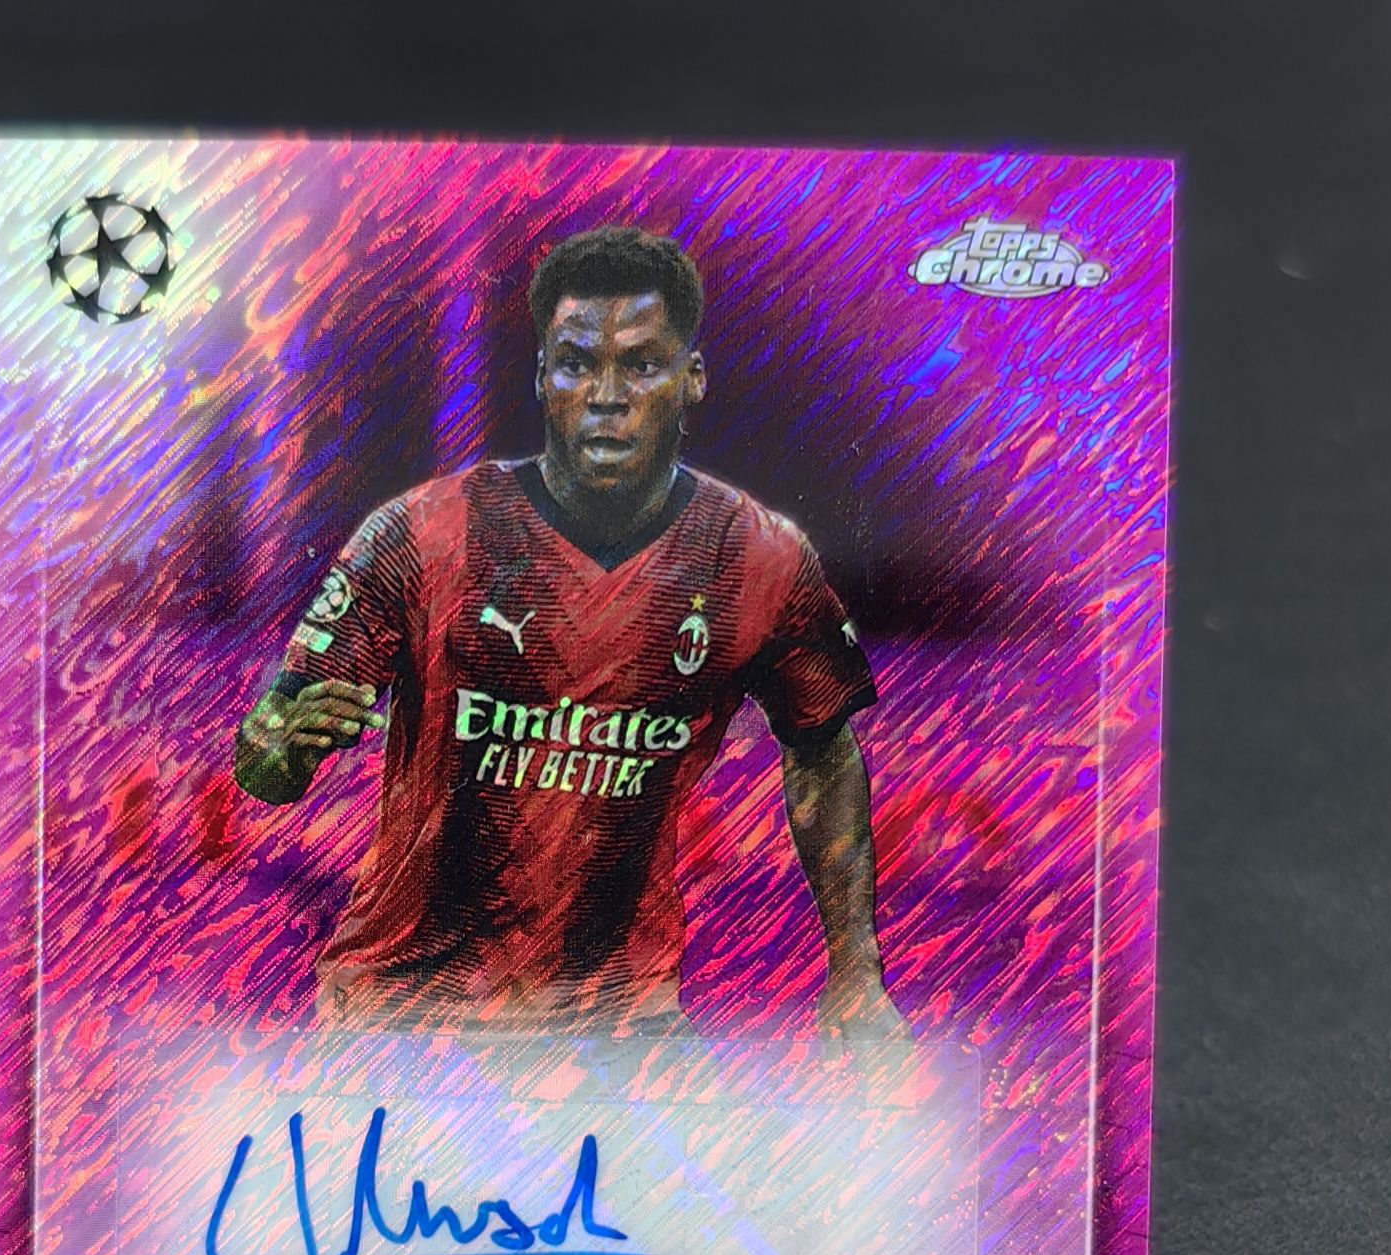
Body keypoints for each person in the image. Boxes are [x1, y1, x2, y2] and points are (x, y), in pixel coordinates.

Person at [235, 225, 908, 1060]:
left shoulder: (757, 557)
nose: (607, 396)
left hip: (618, 1018)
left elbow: (824, 753)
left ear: (693, 378)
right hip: (405, 1011)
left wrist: (855, 970)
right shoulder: (421, 535)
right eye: (578, 364)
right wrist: (279, 747)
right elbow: (265, 759)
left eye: (642, 364)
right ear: (542, 379)